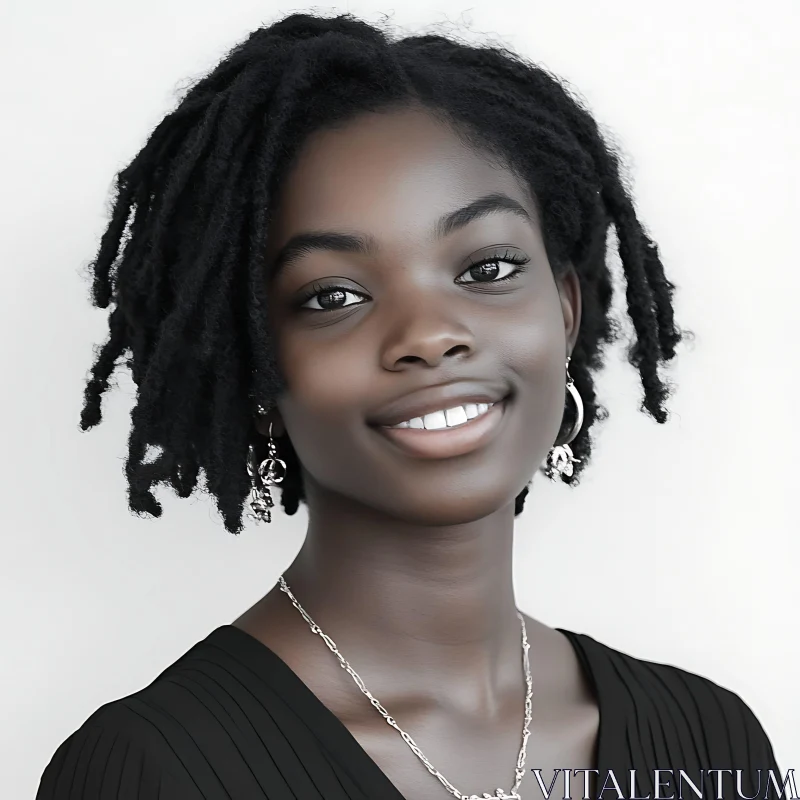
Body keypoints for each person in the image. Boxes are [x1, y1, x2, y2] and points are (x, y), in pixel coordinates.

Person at [36, 11, 781, 800]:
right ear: (256, 371)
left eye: (488, 267)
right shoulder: (152, 769)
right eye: (332, 295)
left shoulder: (711, 740)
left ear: (565, 312)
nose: (428, 336)